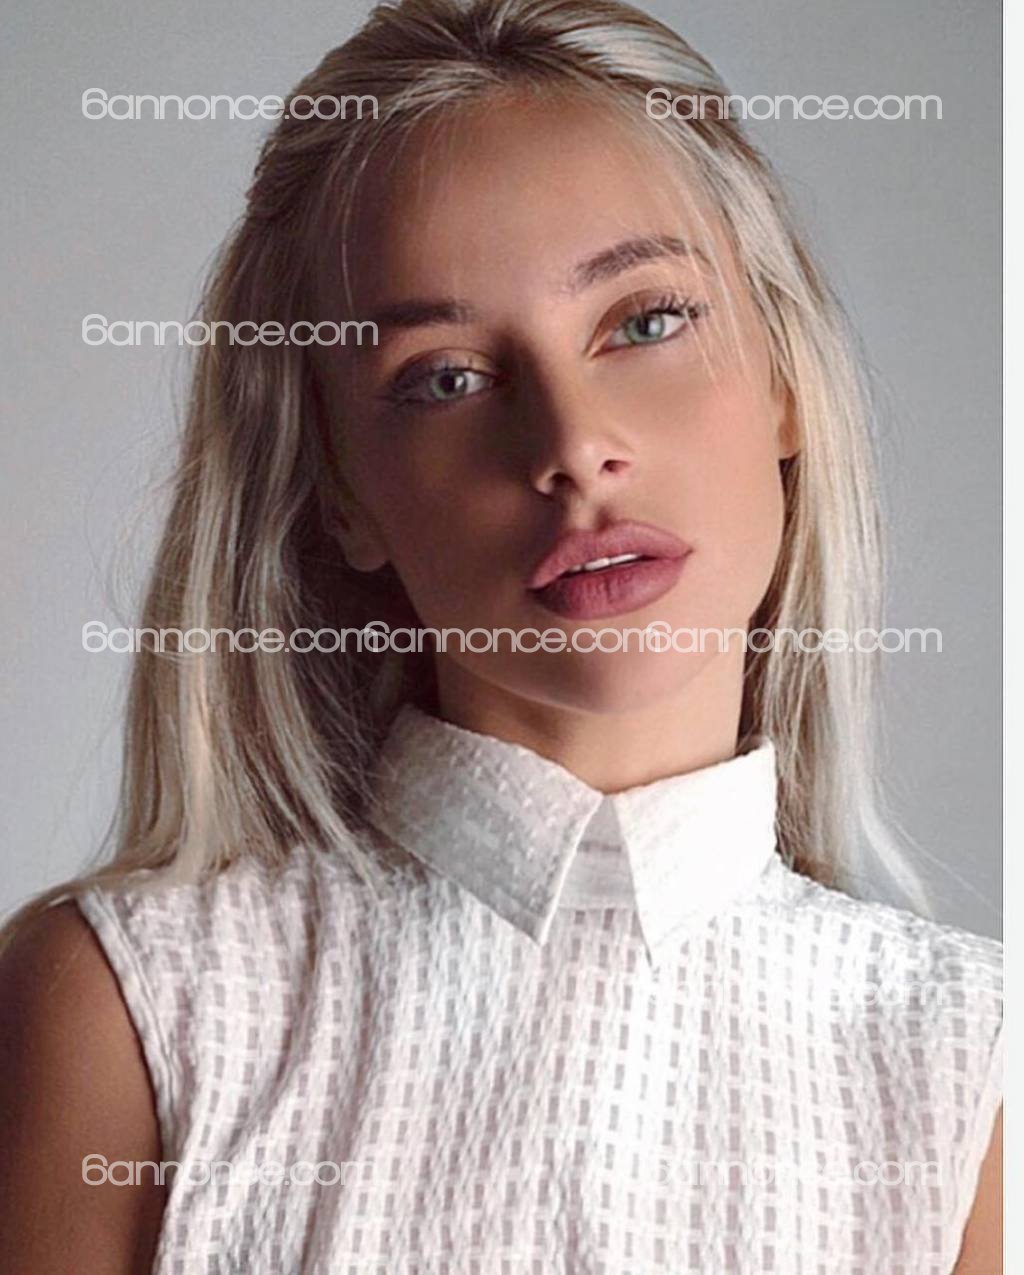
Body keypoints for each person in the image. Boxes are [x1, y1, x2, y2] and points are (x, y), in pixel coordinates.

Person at [0, 0, 1002, 1270]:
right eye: (446, 378)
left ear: (785, 379)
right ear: (342, 495)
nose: (572, 445)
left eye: (645, 321)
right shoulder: (136, 1004)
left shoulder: (964, 1062)